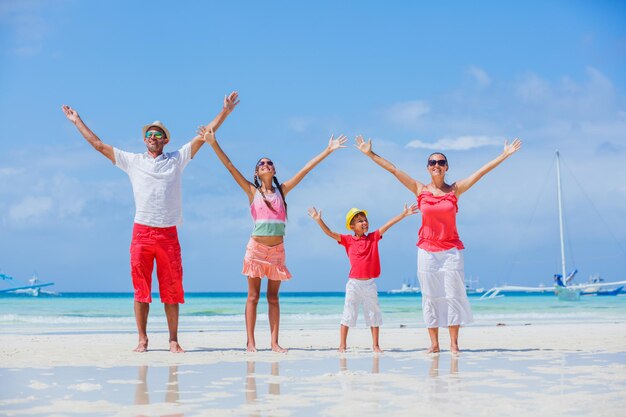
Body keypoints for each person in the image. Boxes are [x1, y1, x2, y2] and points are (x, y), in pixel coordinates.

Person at [61, 91, 240, 353]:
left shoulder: (177, 159)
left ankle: (173, 339)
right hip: (142, 231)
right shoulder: (132, 161)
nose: (153, 137)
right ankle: (142, 339)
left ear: (165, 140)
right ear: (144, 140)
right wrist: (77, 121)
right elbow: (99, 145)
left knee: (171, 289)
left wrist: (224, 111)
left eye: (158, 135)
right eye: (149, 134)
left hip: (168, 233)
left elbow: (205, 135)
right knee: (141, 289)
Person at [355, 135, 522, 354]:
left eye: (441, 162)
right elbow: (394, 170)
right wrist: (369, 153)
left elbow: (481, 172)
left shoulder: (455, 190)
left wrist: (505, 154)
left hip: (451, 250)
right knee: (430, 296)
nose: (437, 165)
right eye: (432, 162)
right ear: (427, 168)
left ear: (446, 168)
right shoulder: (420, 190)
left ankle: (453, 344)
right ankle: (434, 344)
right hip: (426, 250)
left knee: (453, 295)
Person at [200, 125, 347, 353]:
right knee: (253, 296)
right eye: (261, 164)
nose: (265, 165)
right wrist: (213, 143)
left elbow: (305, 170)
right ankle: (250, 342)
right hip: (256, 250)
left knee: (273, 298)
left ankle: (274, 342)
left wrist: (327, 150)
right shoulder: (252, 192)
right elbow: (229, 166)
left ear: (274, 170)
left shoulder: (282, 191)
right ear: (256, 173)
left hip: (277, 250)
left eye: (269, 163)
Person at [308, 204, 418, 352]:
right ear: (352, 226)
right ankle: (342, 345)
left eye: (365, 219)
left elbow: (388, 224)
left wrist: (403, 214)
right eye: (360, 221)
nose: (364, 222)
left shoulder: (373, 238)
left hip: (370, 284)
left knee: (374, 314)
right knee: (348, 313)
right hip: (354, 284)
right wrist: (318, 220)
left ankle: (376, 345)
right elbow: (329, 233)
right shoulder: (347, 240)